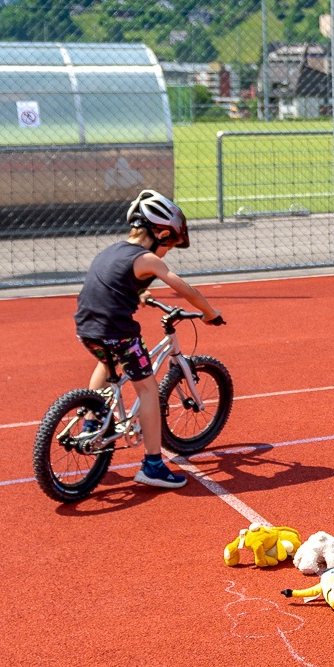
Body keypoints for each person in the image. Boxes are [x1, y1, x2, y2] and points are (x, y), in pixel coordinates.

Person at [72, 190, 225, 490]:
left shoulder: (112, 251)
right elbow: (185, 289)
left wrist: (139, 292)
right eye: (171, 244)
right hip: (118, 333)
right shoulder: (148, 259)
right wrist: (208, 312)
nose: (168, 251)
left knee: (108, 361)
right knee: (148, 390)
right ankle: (153, 465)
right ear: (162, 234)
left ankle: (91, 421)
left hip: (86, 329)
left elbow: (109, 282)